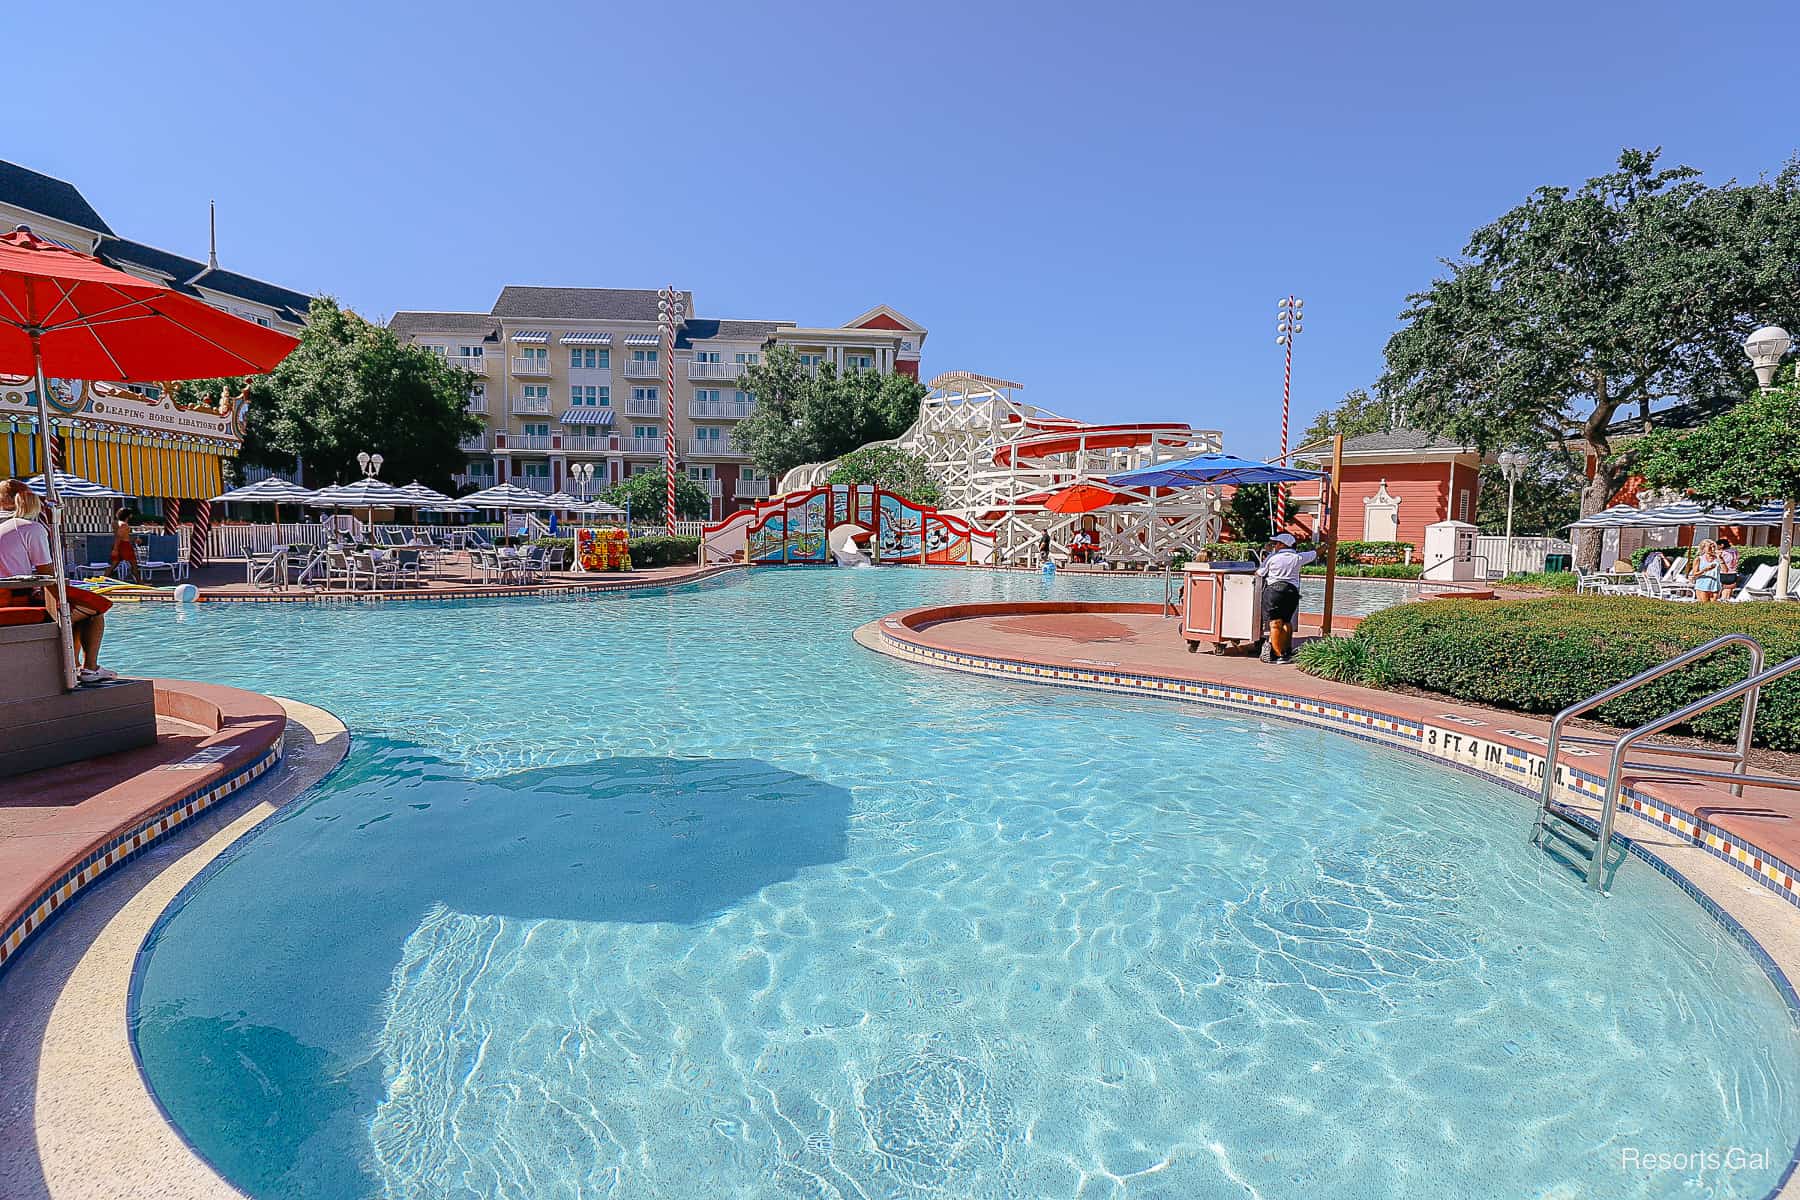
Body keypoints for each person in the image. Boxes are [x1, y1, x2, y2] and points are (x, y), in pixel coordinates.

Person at [0, 480, 117, 683]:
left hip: (7, 596)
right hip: (20, 599)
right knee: (95, 609)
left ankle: (75, 665)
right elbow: (46, 573)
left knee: (77, 609)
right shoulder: (30, 529)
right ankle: (89, 668)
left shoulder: (5, 527)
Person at [1257, 532, 1319, 663]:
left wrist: (1267, 556)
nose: (1274, 546)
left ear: (1282, 544)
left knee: (1275, 624)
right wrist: (1327, 544)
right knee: (1287, 622)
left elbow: (1260, 572)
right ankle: (1286, 650)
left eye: (1276, 543)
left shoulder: (1273, 557)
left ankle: (1278, 655)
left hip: (1274, 591)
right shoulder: (1298, 557)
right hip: (1291, 592)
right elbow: (1315, 553)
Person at [108, 506, 139, 581]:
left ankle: (103, 580)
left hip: (119, 544)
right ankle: (140, 582)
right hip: (124, 545)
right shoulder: (124, 525)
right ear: (129, 515)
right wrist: (115, 549)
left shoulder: (115, 523)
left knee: (113, 565)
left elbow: (122, 536)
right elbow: (119, 537)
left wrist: (134, 539)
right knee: (134, 565)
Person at [1691, 538, 1724, 603]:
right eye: (1710, 547)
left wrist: (1720, 558)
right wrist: (1706, 569)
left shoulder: (1717, 558)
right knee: (1704, 607)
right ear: (1704, 548)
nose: (1713, 549)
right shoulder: (1699, 559)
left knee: (1714, 608)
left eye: (1714, 547)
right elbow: (1694, 574)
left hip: (1715, 585)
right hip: (1702, 585)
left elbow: (1725, 570)